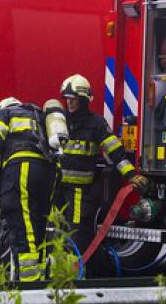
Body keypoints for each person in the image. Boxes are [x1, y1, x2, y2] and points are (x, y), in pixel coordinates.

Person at [56, 74, 148, 246]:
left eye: (73, 99)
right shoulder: (59, 122)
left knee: (76, 232)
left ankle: (77, 269)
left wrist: (131, 175)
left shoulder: (96, 124)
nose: (69, 103)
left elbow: (115, 152)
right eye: (67, 99)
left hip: (79, 192)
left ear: (83, 100)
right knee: (56, 229)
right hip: (58, 189)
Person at [0, 97, 56, 282]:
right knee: (40, 224)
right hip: (48, 172)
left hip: (22, 167)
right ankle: (43, 276)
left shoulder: (4, 113)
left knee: (22, 224)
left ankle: (28, 282)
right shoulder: (39, 115)